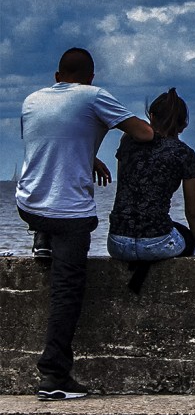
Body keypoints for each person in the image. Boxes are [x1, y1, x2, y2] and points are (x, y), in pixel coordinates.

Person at [16, 48, 153, 401]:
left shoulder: (32, 100)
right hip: (69, 216)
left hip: (28, 205)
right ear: (91, 78)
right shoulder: (94, 96)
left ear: (57, 76)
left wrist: (88, 155)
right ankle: (54, 377)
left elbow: (48, 140)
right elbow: (144, 134)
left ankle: (42, 238)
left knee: (52, 216)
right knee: (67, 292)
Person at [108, 88, 195, 264]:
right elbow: (193, 211)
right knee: (188, 238)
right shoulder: (184, 154)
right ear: (184, 125)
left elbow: (123, 184)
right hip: (155, 244)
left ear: (151, 116)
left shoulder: (127, 140)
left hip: (117, 242)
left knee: (169, 229)